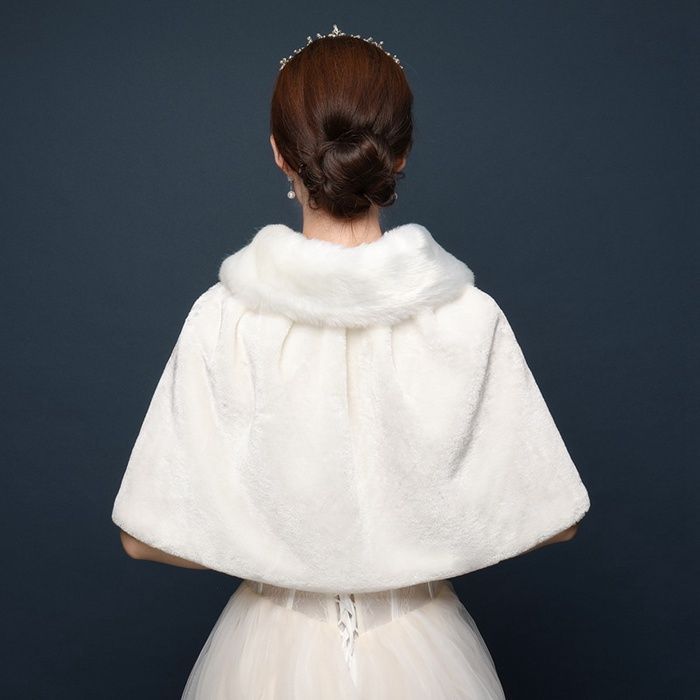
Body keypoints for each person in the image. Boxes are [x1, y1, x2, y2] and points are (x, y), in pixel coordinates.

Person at [112, 24, 590, 699]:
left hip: (266, 654)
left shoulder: (226, 318)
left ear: (279, 152)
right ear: (401, 152)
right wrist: (412, 540)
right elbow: (556, 516)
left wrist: (287, 547)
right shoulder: (466, 316)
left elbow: (144, 537)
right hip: (426, 650)